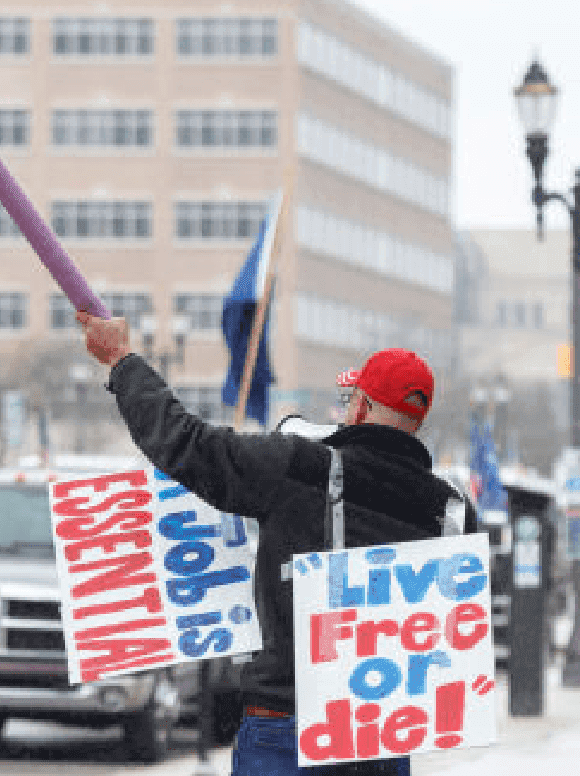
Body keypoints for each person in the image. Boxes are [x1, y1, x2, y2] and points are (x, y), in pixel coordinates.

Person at [76, 310, 476, 776]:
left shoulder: (301, 468)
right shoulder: (453, 511)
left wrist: (123, 362)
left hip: (286, 728)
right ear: (417, 419)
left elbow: (185, 444)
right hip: (383, 736)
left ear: (362, 406)